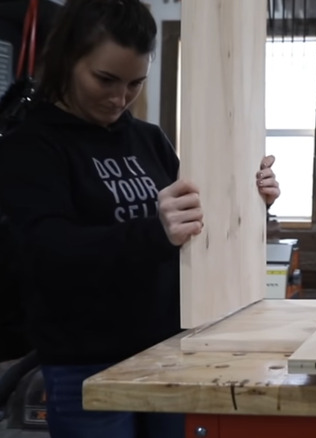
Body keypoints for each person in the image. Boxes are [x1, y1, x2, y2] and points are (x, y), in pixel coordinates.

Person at [0, 0, 280, 437]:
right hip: (85, 363)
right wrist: (155, 232)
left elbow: (192, 224)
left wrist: (250, 202)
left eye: (135, 83)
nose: (119, 98)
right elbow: (47, 251)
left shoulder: (147, 139)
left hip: (168, 351)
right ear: (69, 58)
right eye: (105, 79)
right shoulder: (32, 145)